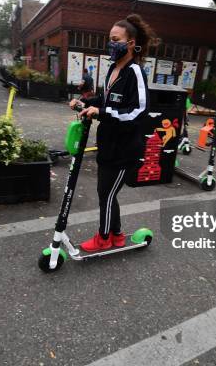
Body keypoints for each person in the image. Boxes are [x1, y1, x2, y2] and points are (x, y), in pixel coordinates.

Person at [69, 14, 158, 252]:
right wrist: (86, 102)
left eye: (116, 39)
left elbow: (138, 111)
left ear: (130, 43)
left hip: (126, 148)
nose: (111, 44)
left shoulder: (135, 72)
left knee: (106, 194)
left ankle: (104, 237)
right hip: (108, 144)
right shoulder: (112, 69)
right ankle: (117, 235)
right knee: (105, 193)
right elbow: (105, 100)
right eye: (110, 39)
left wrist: (102, 112)